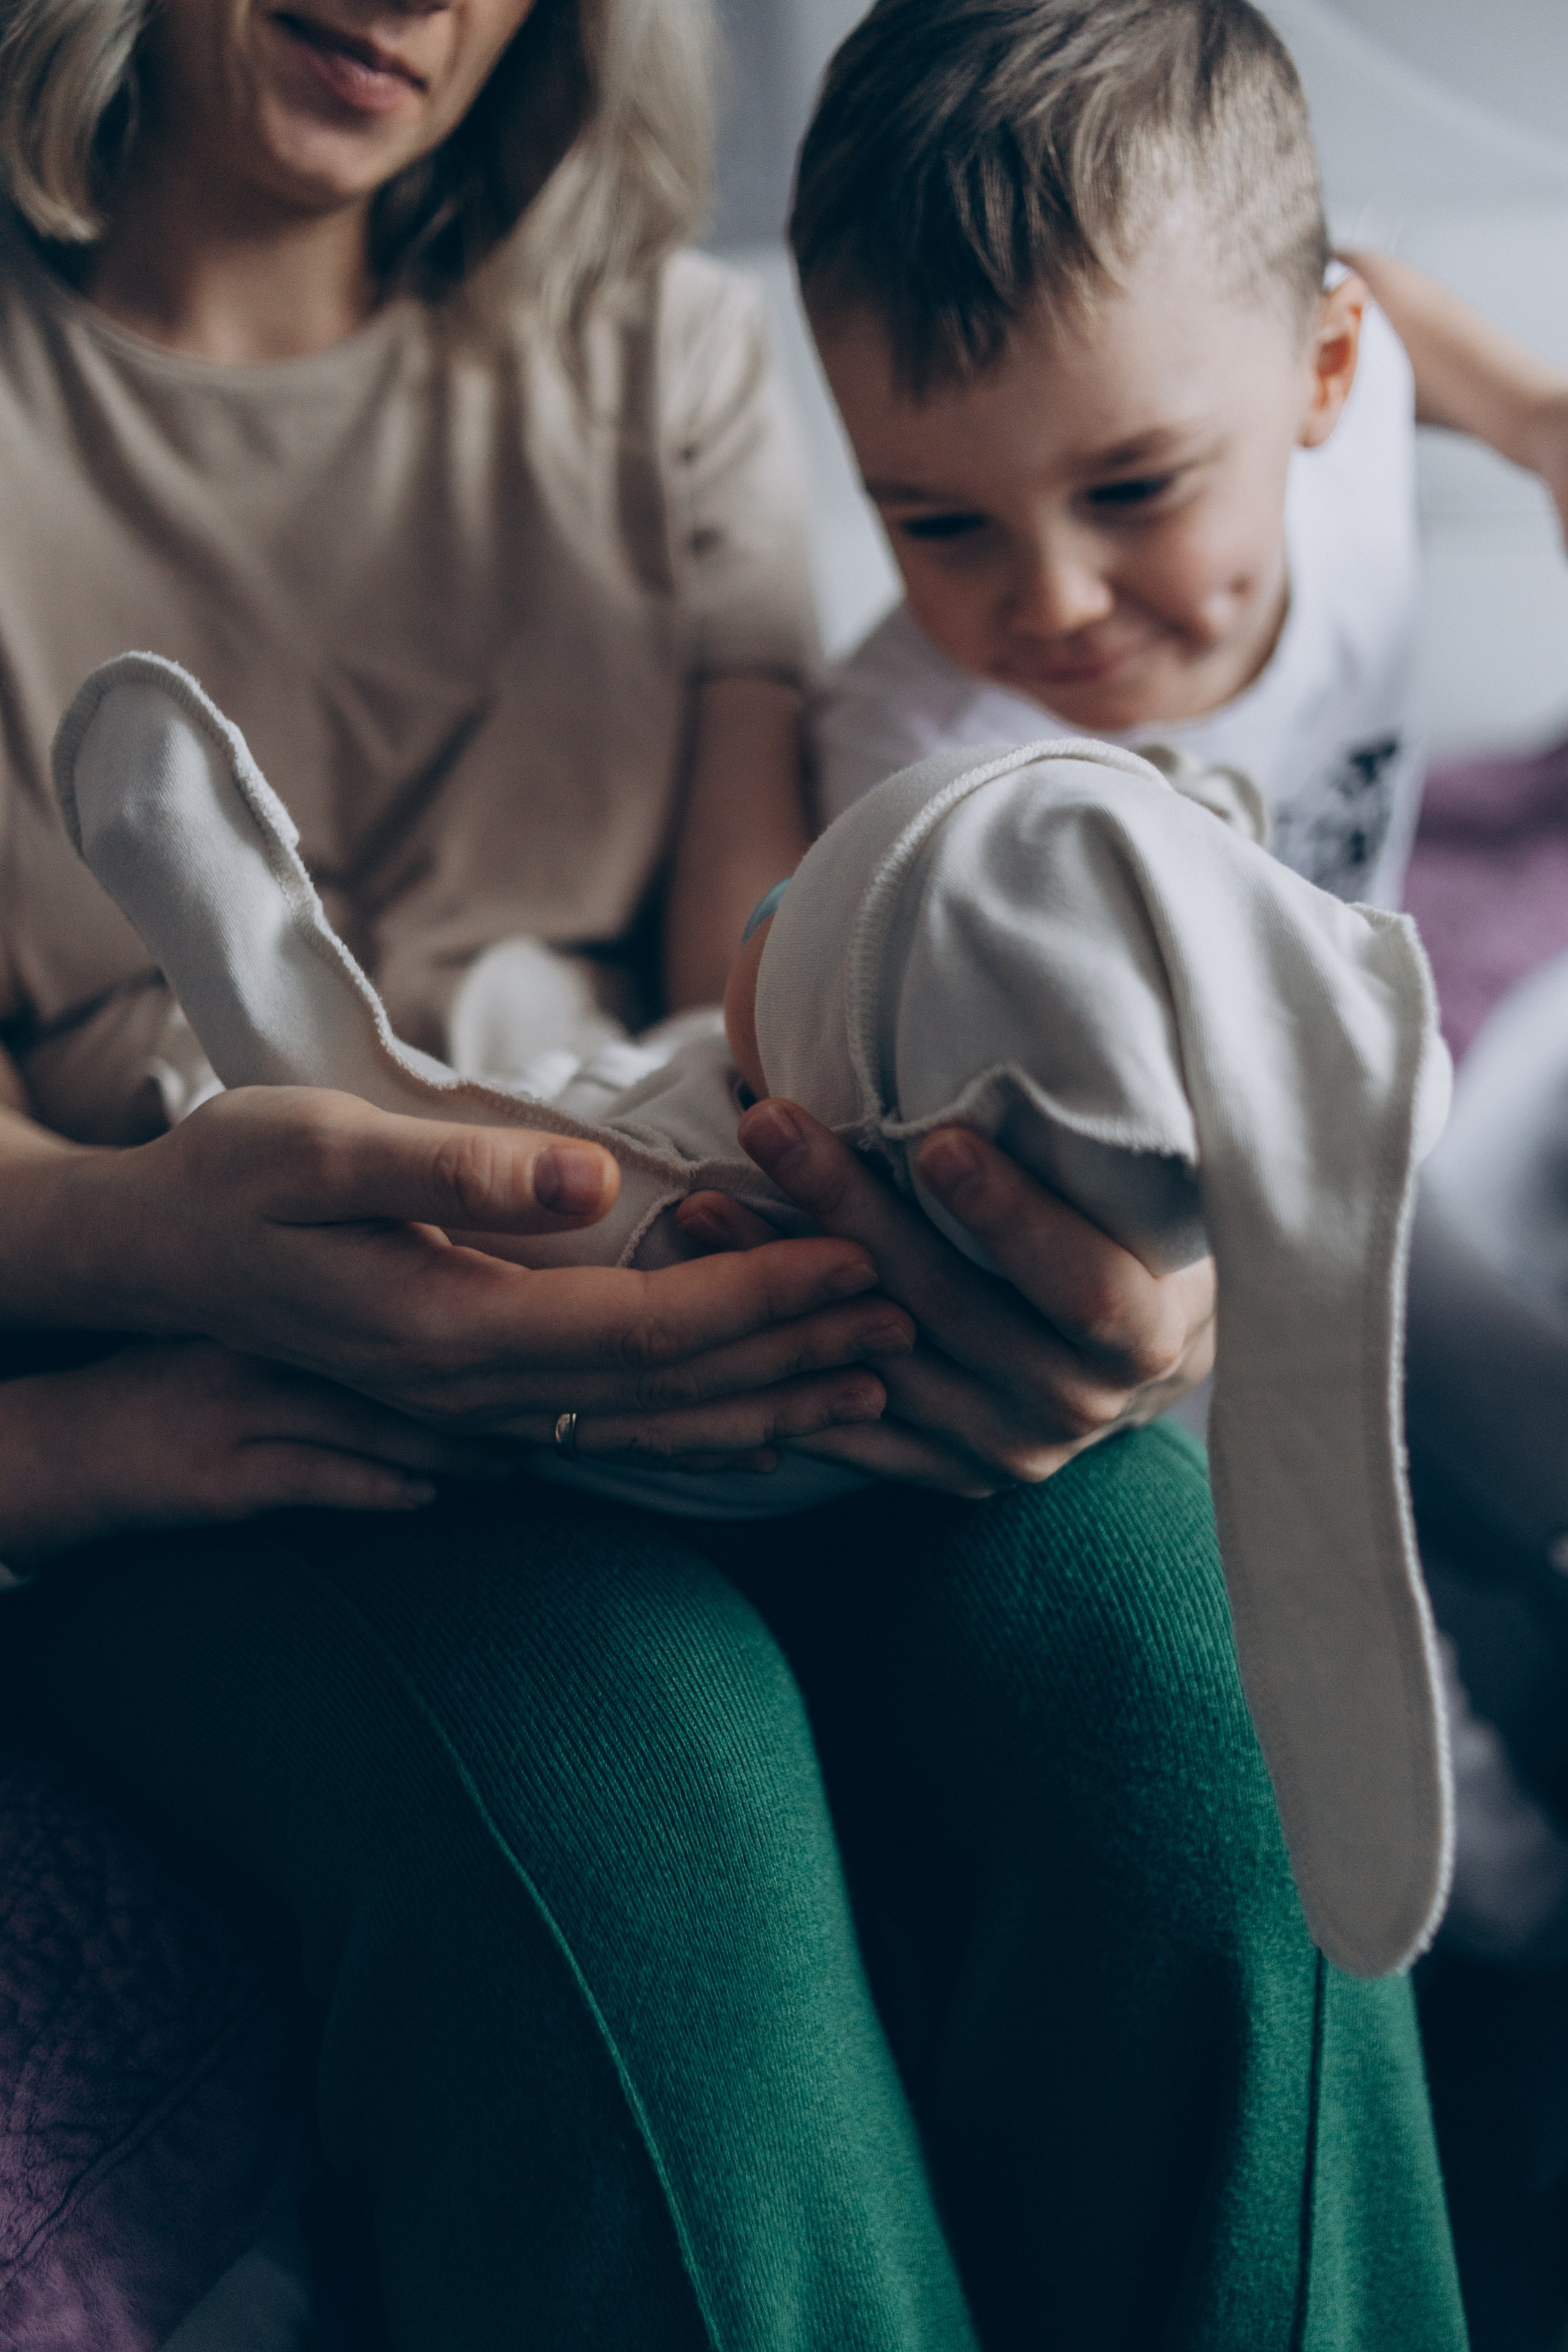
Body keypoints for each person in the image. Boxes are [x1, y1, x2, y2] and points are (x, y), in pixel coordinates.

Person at [0, 0, 1466, 2345]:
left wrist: (1090, 1280)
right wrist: (145, 1242)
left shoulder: (668, 360)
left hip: (690, 1251)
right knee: (637, 1776)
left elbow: (780, 989)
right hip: (223, 1370)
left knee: (1164, 1653)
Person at [796, 0, 1423, 911]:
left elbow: (1380, 300)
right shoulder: (913, 782)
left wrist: (1537, 418)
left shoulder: (1362, 420)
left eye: (1134, 490)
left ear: (1325, 373)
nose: (1059, 604)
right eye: (942, 523)